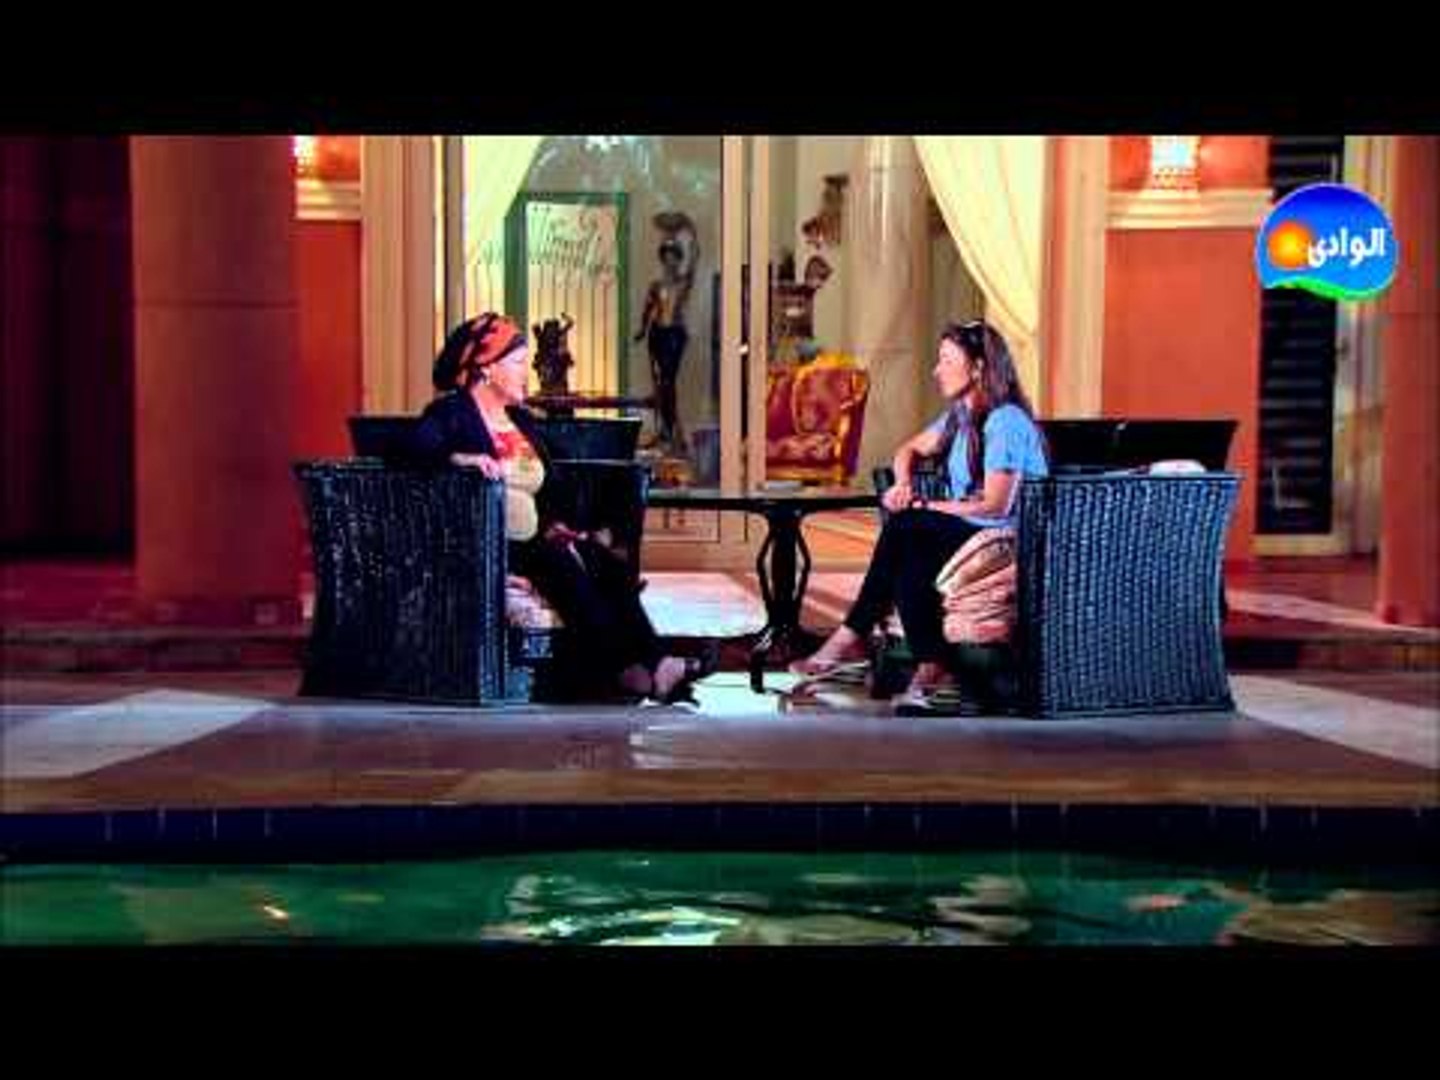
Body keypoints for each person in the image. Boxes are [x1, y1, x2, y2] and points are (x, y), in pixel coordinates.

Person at [408, 313, 704, 703]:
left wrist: (565, 525)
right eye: (518, 362)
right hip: (486, 543)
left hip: (534, 538)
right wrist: (460, 458)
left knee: (605, 566)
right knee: (560, 563)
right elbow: (413, 450)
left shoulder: (519, 420)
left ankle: (652, 665)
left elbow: (549, 485)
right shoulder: (451, 413)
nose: (525, 373)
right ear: (487, 368)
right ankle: (628, 669)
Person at [790, 320, 1049, 708]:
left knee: (907, 526)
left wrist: (925, 506)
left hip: (1003, 539)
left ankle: (853, 638)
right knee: (910, 549)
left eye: (947, 360)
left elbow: (996, 505)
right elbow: (907, 449)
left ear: (978, 368)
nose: (936, 370)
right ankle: (927, 667)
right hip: (966, 530)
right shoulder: (960, 417)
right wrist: (904, 484)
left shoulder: (1005, 420)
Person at [634, 213, 698, 451]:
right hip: (657, 333)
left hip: (675, 335)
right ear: (662, 259)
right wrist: (642, 330)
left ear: (679, 259)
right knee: (660, 382)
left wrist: (691, 231)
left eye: (674, 257)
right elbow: (648, 309)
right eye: (666, 257)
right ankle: (664, 430)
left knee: (668, 381)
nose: (670, 262)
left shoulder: (683, 282)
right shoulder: (656, 285)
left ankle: (672, 430)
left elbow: (696, 257)